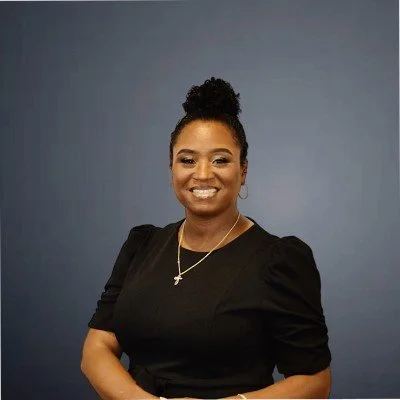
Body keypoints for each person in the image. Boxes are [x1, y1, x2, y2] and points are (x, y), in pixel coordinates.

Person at [81, 77, 332, 399]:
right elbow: (97, 347)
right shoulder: (142, 245)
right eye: (187, 160)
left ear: (243, 170)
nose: (202, 174)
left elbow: (315, 383)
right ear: (171, 168)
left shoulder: (279, 261)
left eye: (220, 160)